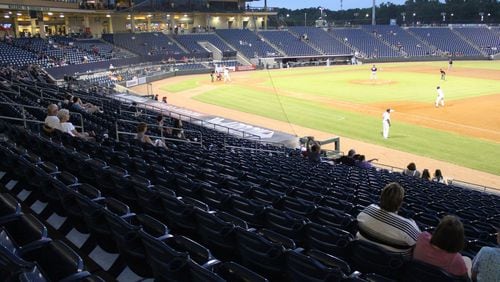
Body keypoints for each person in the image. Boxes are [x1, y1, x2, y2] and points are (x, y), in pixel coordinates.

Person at [356, 182, 421, 257]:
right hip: (391, 266)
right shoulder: (408, 226)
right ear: (400, 203)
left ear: (381, 197)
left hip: (360, 256)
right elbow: (419, 243)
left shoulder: (368, 210)